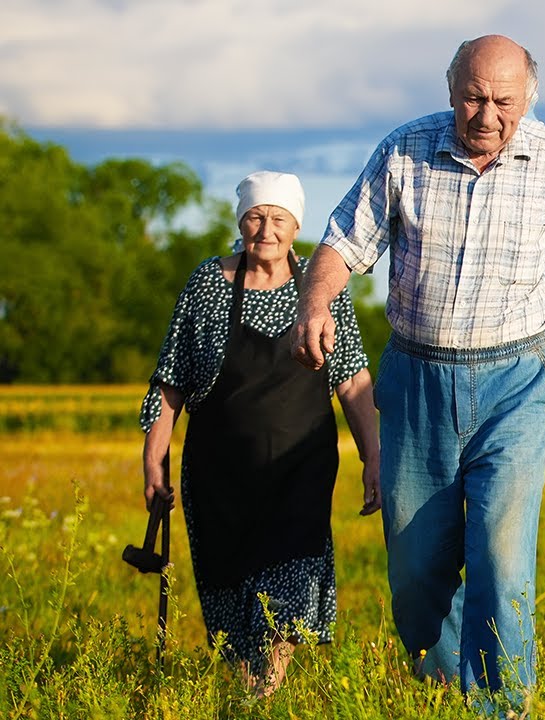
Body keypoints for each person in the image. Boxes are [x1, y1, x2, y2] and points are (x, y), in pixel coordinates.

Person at [291, 34, 545, 699]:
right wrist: (316, 299)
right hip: (416, 385)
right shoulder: (403, 150)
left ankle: (501, 708)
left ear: (527, 98)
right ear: (451, 92)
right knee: (416, 577)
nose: (487, 114)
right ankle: (445, 693)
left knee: (501, 562)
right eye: (474, 97)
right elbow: (342, 241)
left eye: (503, 100)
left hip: (513, 383)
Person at [139, 170, 381, 697]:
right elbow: (171, 378)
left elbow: (353, 377)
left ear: (296, 227)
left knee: (285, 585)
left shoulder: (320, 287)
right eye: (255, 216)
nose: (265, 229)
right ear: (240, 221)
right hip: (217, 474)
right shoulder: (206, 284)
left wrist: (373, 457)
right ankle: (249, 691)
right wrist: (153, 458)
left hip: (301, 467)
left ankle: (262, 695)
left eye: (278, 219)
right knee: (228, 601)